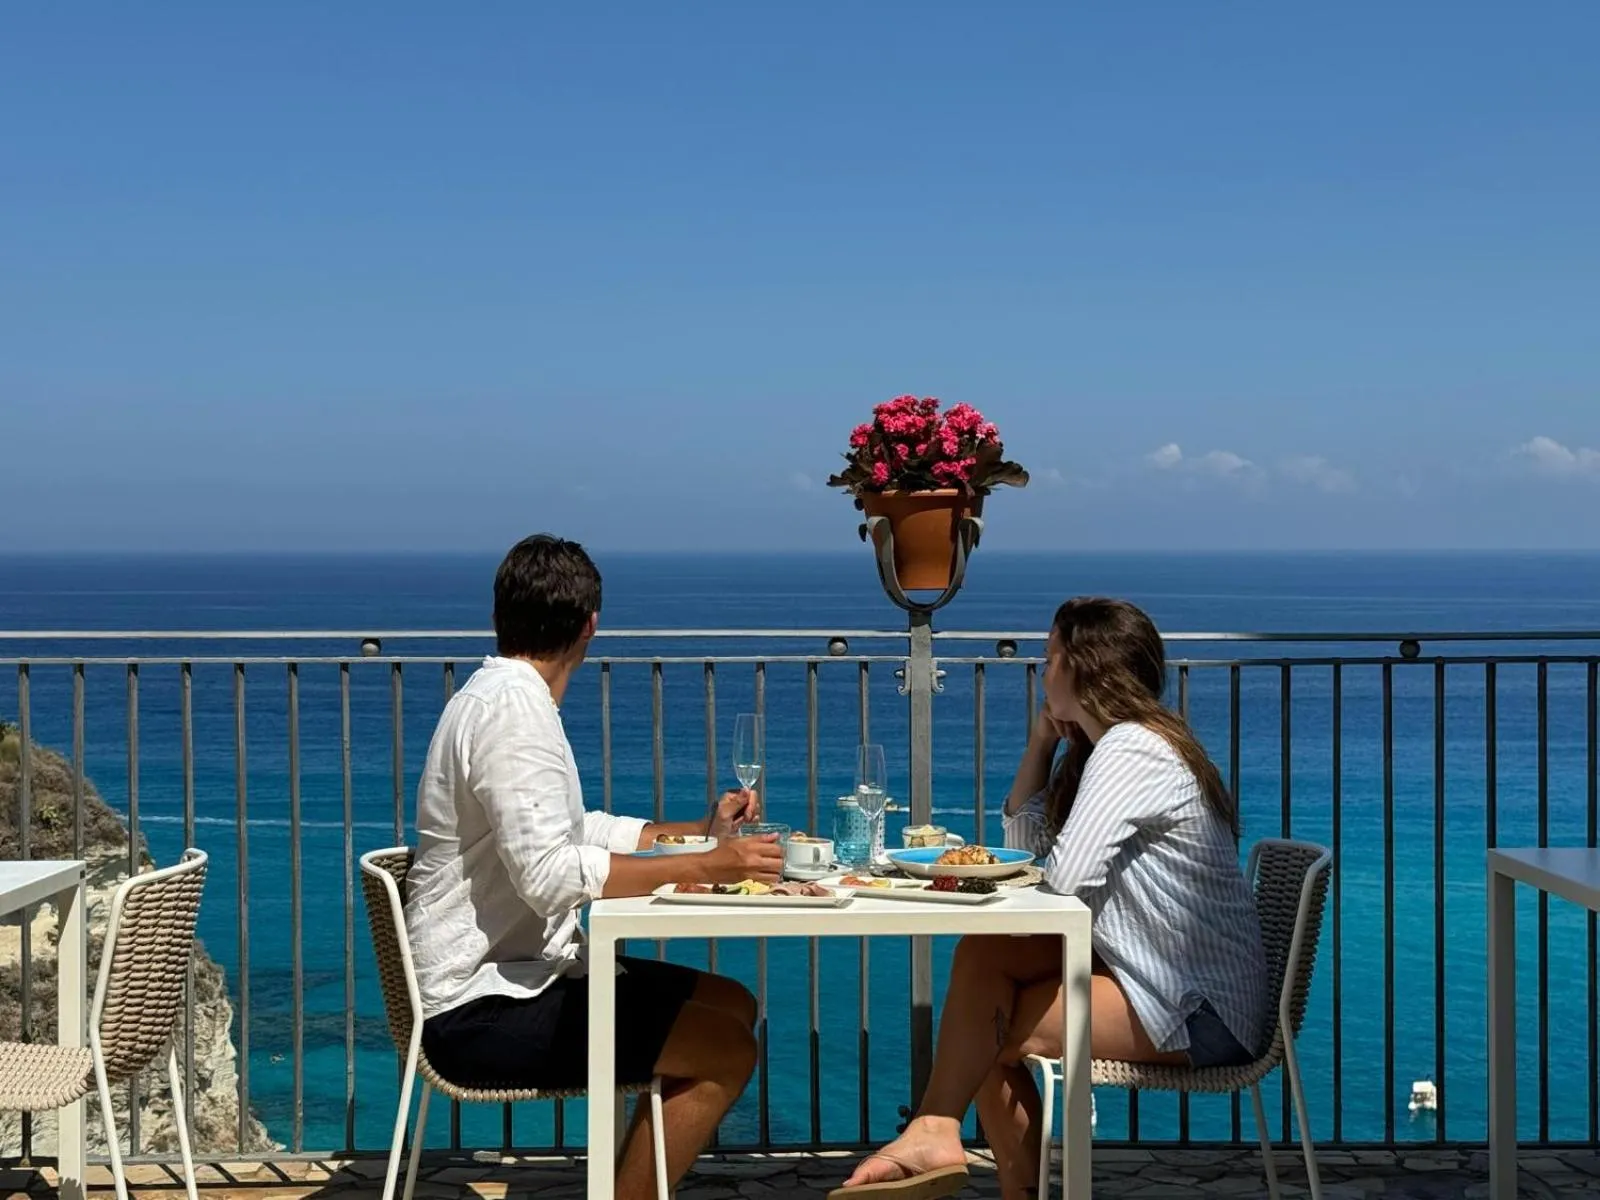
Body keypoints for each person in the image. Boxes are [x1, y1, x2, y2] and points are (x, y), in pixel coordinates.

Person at [832, 598, 1268, 1200]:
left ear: (1082, 669)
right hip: (1152, 976)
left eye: (1049, 657)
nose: (1041, 670)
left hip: (1199, 1009)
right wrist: (1042, 744)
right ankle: (937, 1130)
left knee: (988, 1034)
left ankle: (984, 1167)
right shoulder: (1113, 746)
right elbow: (1023, 842)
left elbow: (1063, 880)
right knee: (985, 958)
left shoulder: (1130, 750)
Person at [406, 534, 785, 1200]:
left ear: (502, 616)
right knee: (728, 1050)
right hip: (477, 1006)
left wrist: (696, 834)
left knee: (732, 1004)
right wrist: (705, 866)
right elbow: (551, 874)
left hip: (519, 976)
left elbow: (575, 830)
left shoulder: (506, 700)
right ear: (591, 627)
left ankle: (625, 1178)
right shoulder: (513, 716)